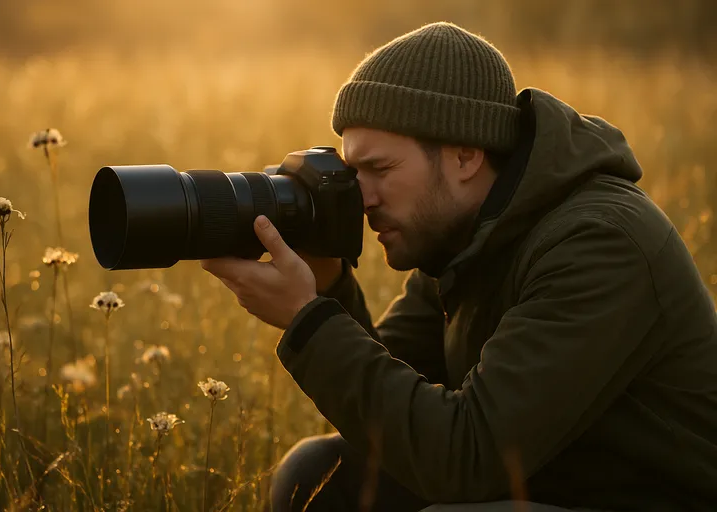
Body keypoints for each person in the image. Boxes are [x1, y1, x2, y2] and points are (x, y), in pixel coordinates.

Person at [199, 21, 717, 511]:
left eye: (380, 169)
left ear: (466, 156)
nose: (362, 198)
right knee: (318, 473)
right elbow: (398, 409)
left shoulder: (600, 244)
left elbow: (466, 459)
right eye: (353, 173)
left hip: (655, 500)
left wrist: (307, 319)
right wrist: (327, 288)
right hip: (553, 481)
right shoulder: (464, 236)